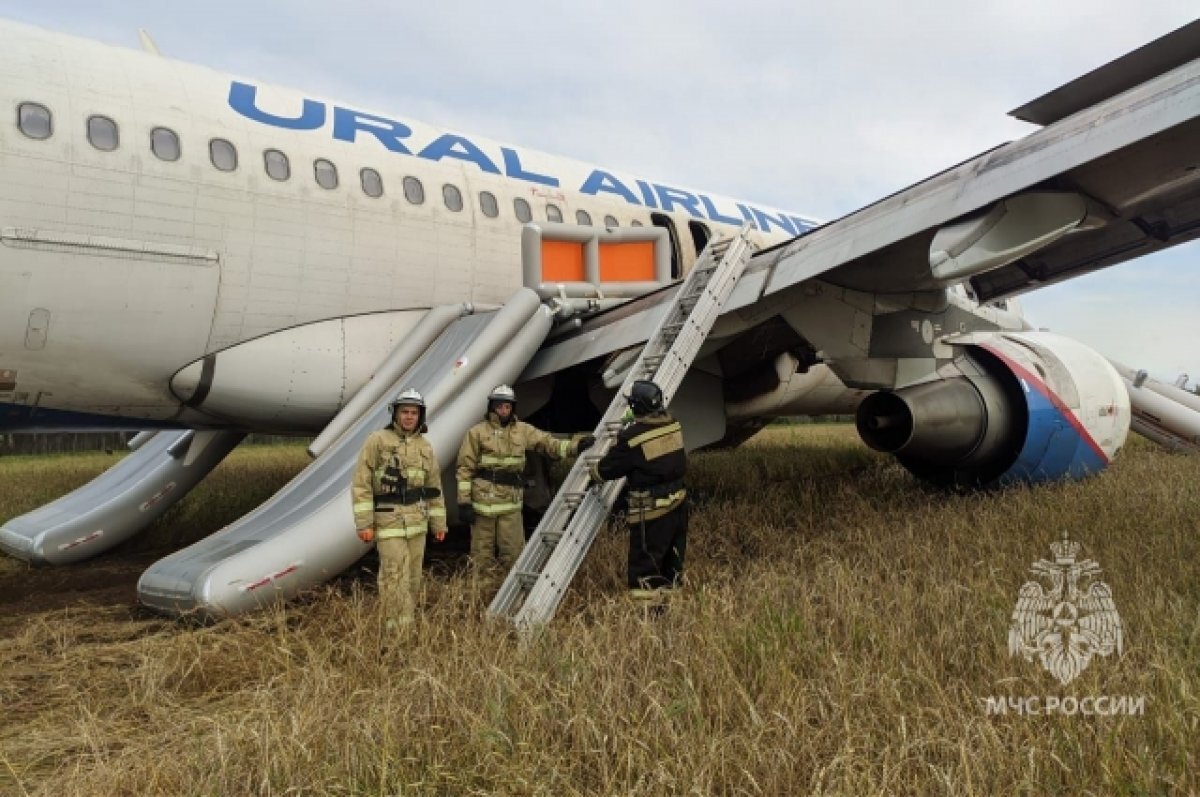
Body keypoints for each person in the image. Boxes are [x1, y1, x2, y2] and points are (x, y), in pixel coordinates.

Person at [456, 384, 594, 570]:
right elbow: (465, 469)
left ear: (512, 408)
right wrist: (464, 502)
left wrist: (575, 446)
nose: (504, 410)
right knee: (482, 555)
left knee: (514, 554)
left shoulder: (523, 430)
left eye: (507, 406)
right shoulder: (476, 433)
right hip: (482, 505)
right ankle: (483, 588)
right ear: (492, 407)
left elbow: (548, 443)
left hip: (510, 505)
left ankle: (509, 587)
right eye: (499, 406)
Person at [351, 388, 447, 629]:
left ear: (420, 415)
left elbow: (434, 487)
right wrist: (364, 523)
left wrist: (439, 524)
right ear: (395, 413)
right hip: (388, 520)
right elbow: (361, 484)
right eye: (405, 412)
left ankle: (407, 623)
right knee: (394, 575)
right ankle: (395, 629)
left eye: (414, 413)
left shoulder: (425, 446)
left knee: (413, 576)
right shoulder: (377, 440)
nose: (409, 417)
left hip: (417, 522)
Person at [589, 380, 687, 608]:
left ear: (636, 407)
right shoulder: (673, 424)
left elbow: (606, 470)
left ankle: (648, 613)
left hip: (652, 511)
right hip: (678, 503)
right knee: (671, 561)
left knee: (645, 564)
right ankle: (670, 607)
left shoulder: (632, 437)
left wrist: (593, 471)